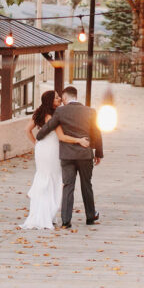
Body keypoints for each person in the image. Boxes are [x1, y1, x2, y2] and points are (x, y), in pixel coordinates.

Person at [34, 85, 104, 229]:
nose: (61, 100)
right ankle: (90, 216)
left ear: (65, 97)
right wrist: (98, 153)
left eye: (62, 98)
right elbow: (97, 132)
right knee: (86, 185)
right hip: (84, 155)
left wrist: (39, 136)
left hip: (67, 155)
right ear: (76, 96)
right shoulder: (90, 111)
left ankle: (66, 221)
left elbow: (48, 127)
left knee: (68, 186)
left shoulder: (60, 111)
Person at [21, 90, 91, 230]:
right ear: (50, 101)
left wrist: (36, 144)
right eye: (57, 97)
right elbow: (61, 137)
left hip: (41, 149)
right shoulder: (53, 117)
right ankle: (46, 215)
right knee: (52, 180)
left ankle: (44, 214)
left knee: (43, 178)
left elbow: (27, 130)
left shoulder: (39, 113)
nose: (60, 99)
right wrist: (79, 140)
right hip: (51, 150)